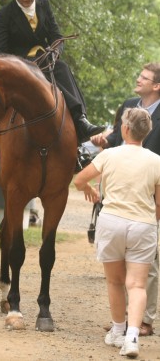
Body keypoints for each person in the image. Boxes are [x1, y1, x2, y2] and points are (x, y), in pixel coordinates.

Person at [74, 107, 160, 358]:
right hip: (143, 225)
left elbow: (79, 180)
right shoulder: (156, 161)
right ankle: (133, 336)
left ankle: (118, 330)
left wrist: (90, 189)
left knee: (114, 281)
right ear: (148, 131)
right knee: (137, 285)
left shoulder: (109, 155)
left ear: (124, 129)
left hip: (111, 222)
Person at [0, 0, 104, 144]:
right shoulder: (4, 14)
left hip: (47, 60)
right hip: (20, 65)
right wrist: (22, 63)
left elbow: (56, 36)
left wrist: (55, 51)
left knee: (62, 68)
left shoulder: (44, 5)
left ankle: (80, 120)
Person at [91, 62, 160, 337]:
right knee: (119, 264)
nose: (138, 79)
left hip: (150, 192)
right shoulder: (129, 103)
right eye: (139, 75)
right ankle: (125, 321)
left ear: (156, 85)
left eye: (144, 77)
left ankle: (144, 319)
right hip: (119, 193)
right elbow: (119, 138)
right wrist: (102, 141)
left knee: (149, 263)